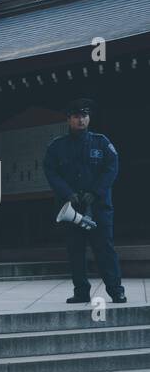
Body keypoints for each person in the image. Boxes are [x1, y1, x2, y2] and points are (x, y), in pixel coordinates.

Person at [44, 98, 125, 305]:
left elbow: (111, 167)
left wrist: (95, 192)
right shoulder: (57, 146)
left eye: (85, 115)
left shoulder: (101, 142)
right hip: (71, 207)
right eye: (77, 116)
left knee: (105, 250)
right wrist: (68, 193)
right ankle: (81, 292)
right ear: (69, 119)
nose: (81, 120)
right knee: (75, 252)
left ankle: (116, 291)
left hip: (99, 207)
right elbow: (50, 171)